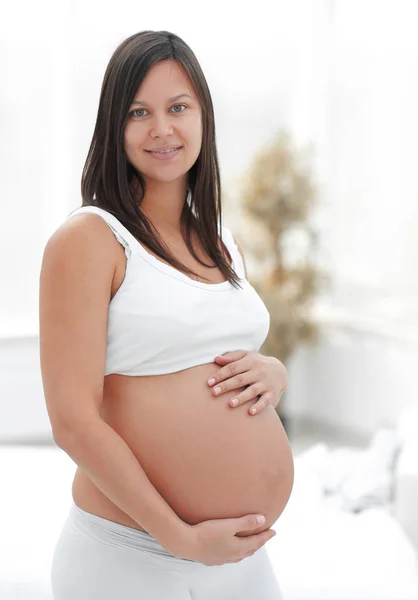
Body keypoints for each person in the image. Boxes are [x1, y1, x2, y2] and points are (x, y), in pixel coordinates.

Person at [39, 30, 294, 599]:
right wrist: (179, 537)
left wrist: (272, 372)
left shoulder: (223, 240)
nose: (162, 128)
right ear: (114, 126)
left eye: (178, 107)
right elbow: (73, 422)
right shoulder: (90, 239)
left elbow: (211, 356)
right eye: (139, 112)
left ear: (203, 116)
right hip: (133, 554)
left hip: (243, 557)